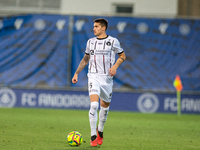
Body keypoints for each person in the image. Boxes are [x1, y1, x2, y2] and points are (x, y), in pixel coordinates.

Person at [72, 18, 126, 147]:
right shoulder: (90, 42)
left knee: (105, 107)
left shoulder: (113, 41)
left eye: (96, 26)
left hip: (107, 79)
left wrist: (114, 67)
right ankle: (93, 135)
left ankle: (100, 130)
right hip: (93, 77)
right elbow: (85, 59)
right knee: (94, 105)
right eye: (93, 26)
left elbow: (122, 56)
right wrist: (77, 73)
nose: (93, 28)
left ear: (103, 28)